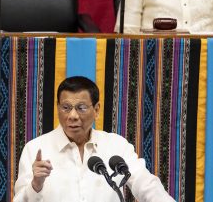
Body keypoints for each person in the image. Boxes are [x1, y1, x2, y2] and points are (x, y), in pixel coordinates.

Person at [13, 76, 175, 201]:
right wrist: (36, 184)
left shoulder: (116, 145)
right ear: (58, 108)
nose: (73, 116)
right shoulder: (35, 149)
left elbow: (145, 184)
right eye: (66, 108)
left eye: (81, 108)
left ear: (96, 110)